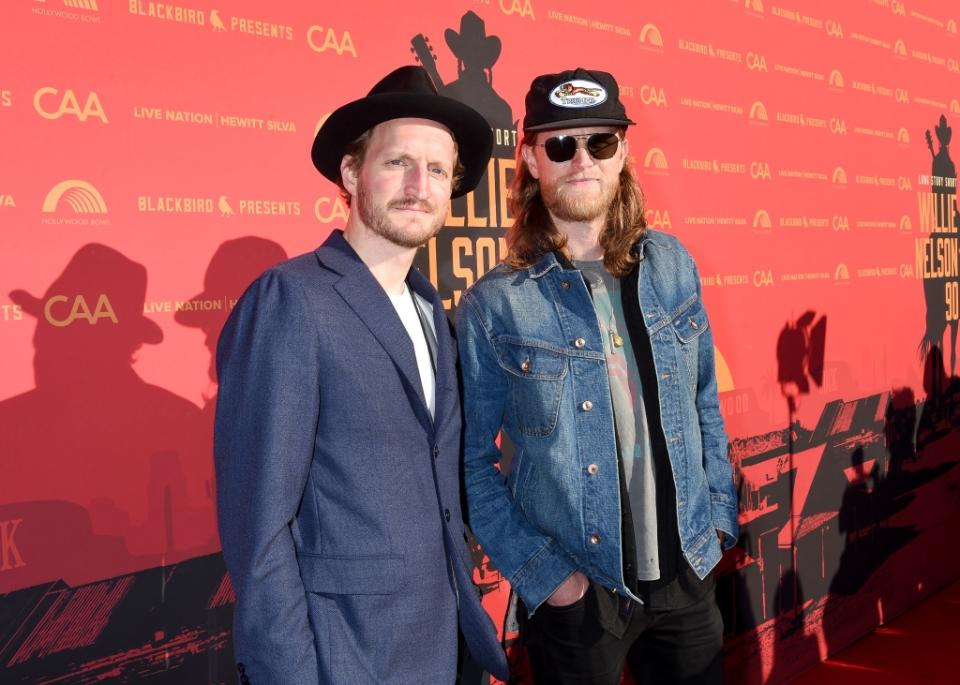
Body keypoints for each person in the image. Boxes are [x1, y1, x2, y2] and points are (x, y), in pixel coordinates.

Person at [214, 65, 509, 685]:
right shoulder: (290, 299)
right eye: (397, 161)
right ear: (352, 174)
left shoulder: (432, 308)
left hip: (448, 645)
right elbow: (259, 529)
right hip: (349, 655)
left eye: (435, 170)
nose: (417, 185)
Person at [456, 68, 739, 684]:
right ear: (531, 159)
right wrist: (550, 580)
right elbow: (469, 464)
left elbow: (704, 405)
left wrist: (718, 519)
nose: (582, 159)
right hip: (577, 596)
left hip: (686, 573)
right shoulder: (495, 304)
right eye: (561, 144)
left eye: (600, 142)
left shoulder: (673, 266)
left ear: (623, 154)